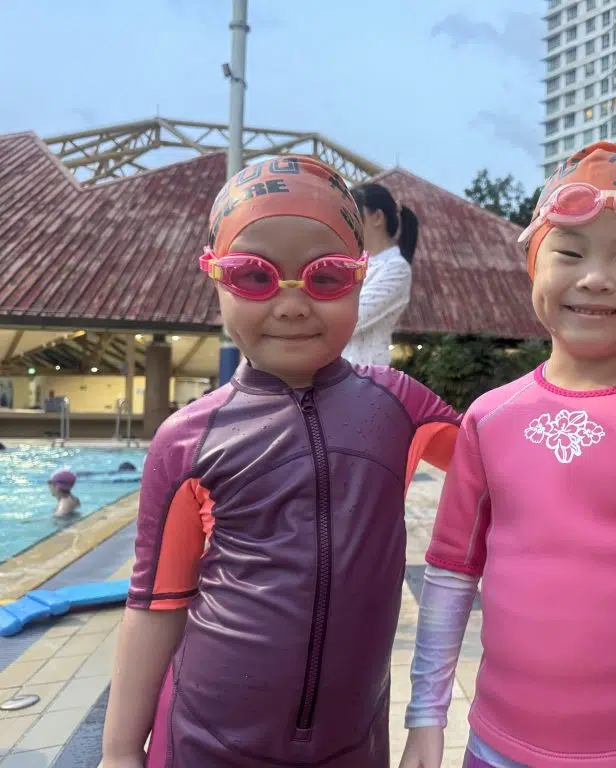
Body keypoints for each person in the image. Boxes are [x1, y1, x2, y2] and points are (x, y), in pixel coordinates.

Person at [102, 155, 460, 768]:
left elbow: (512, 461)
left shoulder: (399, 406)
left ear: (358, 276)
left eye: (325, 277)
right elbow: (156, 604)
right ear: (214, 276)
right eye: (253, 276)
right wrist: (117, 753)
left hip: (354, 744)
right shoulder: (187, 439)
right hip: (206, 742)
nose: (292, 304)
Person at [399, 141, 616, 768]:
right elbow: (449, 574)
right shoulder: (490, 417)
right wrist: (425, 717)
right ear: (534, 264)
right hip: (491, 745)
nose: (595, 277)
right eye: (570, 253)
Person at [342, 182, 418, 365]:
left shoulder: (396, 268)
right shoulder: (353, 262)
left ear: (377, 217)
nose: (346, 225)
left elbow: (348, 320)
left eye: (352, 216)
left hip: (363, 377)